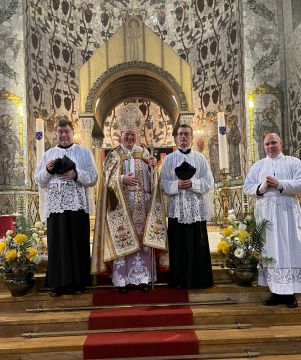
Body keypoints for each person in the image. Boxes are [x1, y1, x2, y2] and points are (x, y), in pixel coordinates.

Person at [91, 104, 167, 292]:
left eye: (133, 135)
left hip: (143, 205)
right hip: (122, 208)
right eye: (127, 135)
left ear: (137, 136)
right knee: (123, 241)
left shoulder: (145, 153)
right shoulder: (114, 155)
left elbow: (153, 182)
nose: (130, 138)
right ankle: (123, 280)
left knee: (143, 243)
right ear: (121, 135)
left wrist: (152, 168)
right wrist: (121, 178)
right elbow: (106, 179)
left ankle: (143, 279)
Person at [35, 117, 98, 296]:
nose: (63, 135)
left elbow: (93, 178)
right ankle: (58, 284)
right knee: (58, 245)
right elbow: (38, 180)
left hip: (77, 207)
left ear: (73, 132)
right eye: (60, 131)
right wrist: (47, 170)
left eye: (67, 131)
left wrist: (75, 173)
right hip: (56, 208)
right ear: (56, 133)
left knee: (77, 244)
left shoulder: (84, 153)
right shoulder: (48, 154)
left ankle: (78, 283)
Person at [243, 133, 301, 308]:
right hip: (266, 216)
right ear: (263, 146)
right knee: (270, 252)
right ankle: (275, 292)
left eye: (273, 143)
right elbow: (247, 187)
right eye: (267, 144)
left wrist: (280, 184)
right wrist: (263, 187)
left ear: (281, 143)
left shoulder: (293, 162)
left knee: (289, 250)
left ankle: (290, 294)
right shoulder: (258, 166)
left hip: (287, 215)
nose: (270, 146)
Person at [160, 123, 214, 289]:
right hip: (177, 210)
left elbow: (208, 181)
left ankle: (199, 280)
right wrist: (177, 186)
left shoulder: (200, 158)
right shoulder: (169, 160)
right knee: (178, 245)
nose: (183, 137)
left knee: (198, 244)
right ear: (176, 137)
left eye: (186, 134)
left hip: (196, 210)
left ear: (192, 137)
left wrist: (193, 183)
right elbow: (163, 183)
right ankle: (179, 281)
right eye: (181, 134)